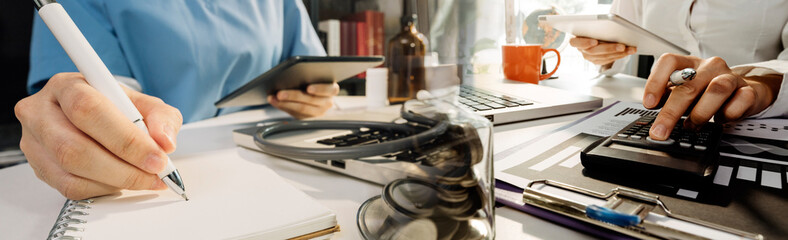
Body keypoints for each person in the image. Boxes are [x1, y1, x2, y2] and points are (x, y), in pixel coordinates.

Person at [15, 0, 338, 200]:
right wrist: (76, 112)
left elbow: (309, 69)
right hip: (168, 154)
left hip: (278, 148)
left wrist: (315, 96)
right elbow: (88, 96)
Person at [569, 0, 788, 141]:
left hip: (749, 118)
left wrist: (763, 85)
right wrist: (600, 51)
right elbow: (616, 33)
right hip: (652, 106)